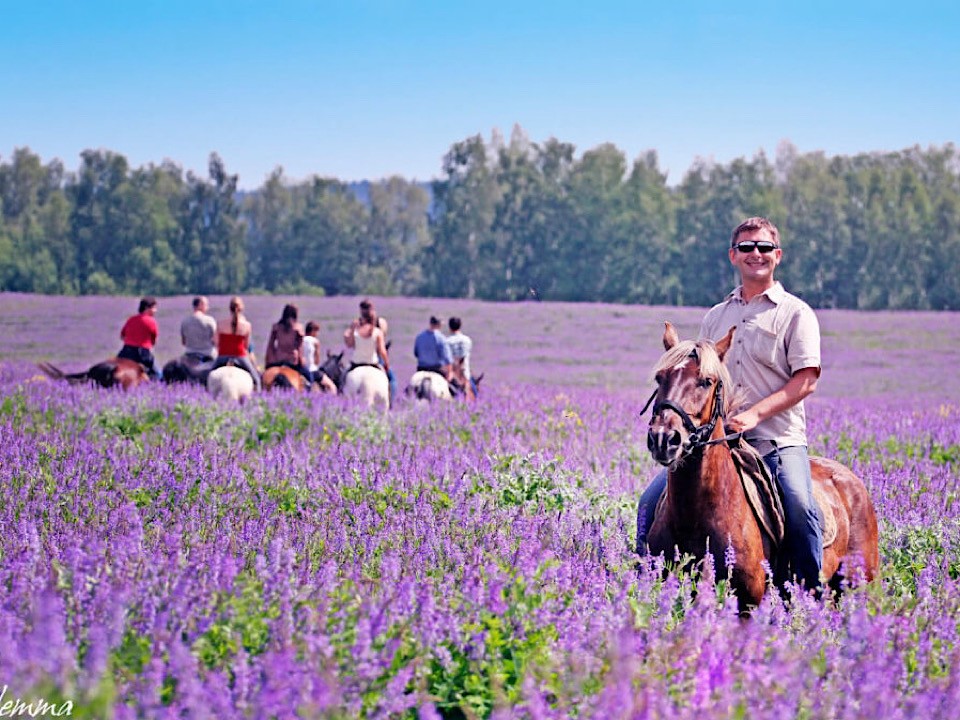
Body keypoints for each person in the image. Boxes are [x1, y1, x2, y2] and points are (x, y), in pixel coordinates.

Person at [636, 216, 824, 592]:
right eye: (747, 247)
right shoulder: (716, 317)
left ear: (778, 255)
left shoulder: (795, 313)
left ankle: (810, 590)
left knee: (801, 507)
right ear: (733, 256)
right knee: (649, 502)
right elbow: (699, 380)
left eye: (764, 247)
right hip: (715, 441)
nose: (756, 254)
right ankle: (647, 587)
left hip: (775, 438)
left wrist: (753, 415)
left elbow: (806, 380)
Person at [212, 296, 261, 391]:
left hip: (223, 356)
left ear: (229, 308)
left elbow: (216, 342)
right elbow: (246, 346)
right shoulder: (247, 325)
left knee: (208, 377)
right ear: (241, 309)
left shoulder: (220, 323)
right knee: (256, 379)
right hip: (240, 356)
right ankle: (258, 396)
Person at [264, 304, 313, 386]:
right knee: (309, 378)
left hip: (278, 359)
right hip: (292, 360)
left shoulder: (276, 327)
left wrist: (269, 360)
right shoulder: (298, 328)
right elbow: (299, 347)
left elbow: (270, 345)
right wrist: (301, 360)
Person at [118, 297, 162, 380]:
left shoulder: (131, 319)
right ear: (147, 308)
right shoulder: (151, 321)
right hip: (143, 353)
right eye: (154, 308)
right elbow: (153, 340)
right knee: (158, 374)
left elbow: (122, 336)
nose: (156, 311)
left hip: (126, 351)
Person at [343, 301, 390, 376]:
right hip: (373, 363)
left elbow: (349, 344)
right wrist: (387, 363)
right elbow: (382, 351)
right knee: (388, 380)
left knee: (343, 378)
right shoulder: (377, 331)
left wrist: (352, 330)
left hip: (356, 363)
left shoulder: (356, 330)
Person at [301, 320, 337, 393]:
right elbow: (317, 361)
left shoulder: (300, 339)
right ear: (313, 331)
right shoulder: (315, 341)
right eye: (317, 331)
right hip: (312, 370)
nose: (317, 334)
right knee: (332, 386)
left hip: (301, 369)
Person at [413, 316, 453, 380]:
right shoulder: (441, 338)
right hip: (437, 370)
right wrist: (450, 372)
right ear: (439, 324)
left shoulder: (419, 337)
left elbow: (416, 353)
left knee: (410, 388)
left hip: (421, 369)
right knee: (454, 388)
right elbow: (447, 358)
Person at [446, 316, 478, 396]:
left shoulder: (446, 341)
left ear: (449, 327)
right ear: (460, 326)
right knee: (474, 394)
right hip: (464, 372)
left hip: (450, 372)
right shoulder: (467, 340)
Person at [180, 295, 217, 362]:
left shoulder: (185, 321)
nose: (208, 307)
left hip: (189, 354)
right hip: (208, 354)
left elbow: (183, 342)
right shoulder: (210, 320)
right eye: (206, 305)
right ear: (200, 305)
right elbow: (216, 340)